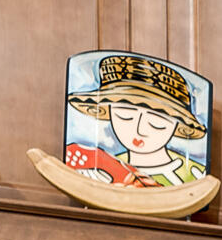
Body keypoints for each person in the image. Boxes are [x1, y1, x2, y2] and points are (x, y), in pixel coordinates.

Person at [64, 53, 209, 188]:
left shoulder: (195, 176)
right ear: (109, 113)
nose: (139, 130)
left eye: (156, 123)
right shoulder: (100, 166)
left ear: (177, 126)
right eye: (125, 116)